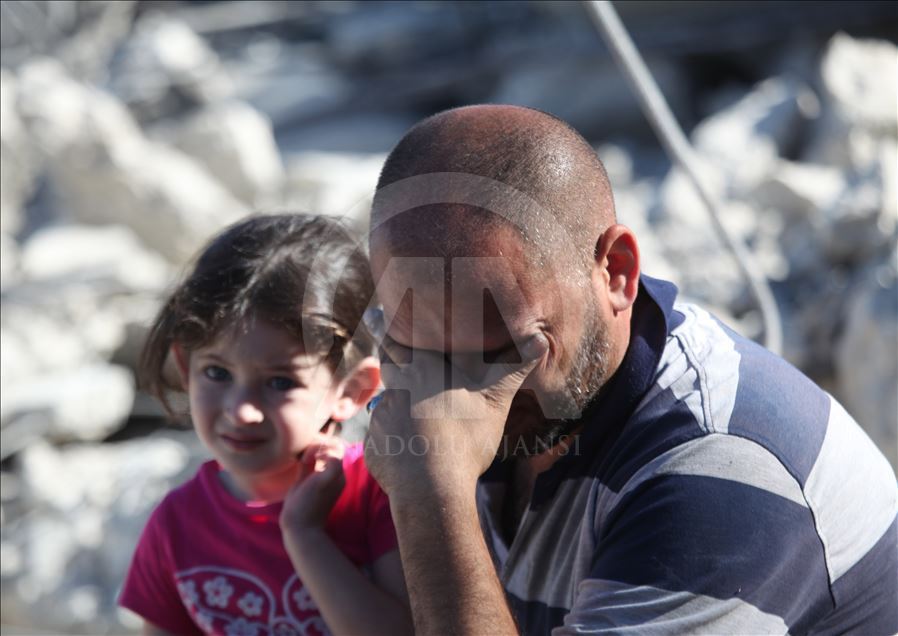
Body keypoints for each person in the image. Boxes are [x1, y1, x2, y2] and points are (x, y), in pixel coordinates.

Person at [363, 105, 898, 635]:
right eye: (420, 352)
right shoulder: (518, 401)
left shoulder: (723, 470)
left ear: (616, 272)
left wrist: (433, 497)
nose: (451, 397)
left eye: (504, 352)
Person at [120, 214, 412, 636]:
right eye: (217, 373)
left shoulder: (381, 495)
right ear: (185, 367)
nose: (241, 411)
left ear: (352, 390)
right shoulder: (177, 524)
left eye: (280, 382)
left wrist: (305, 535)